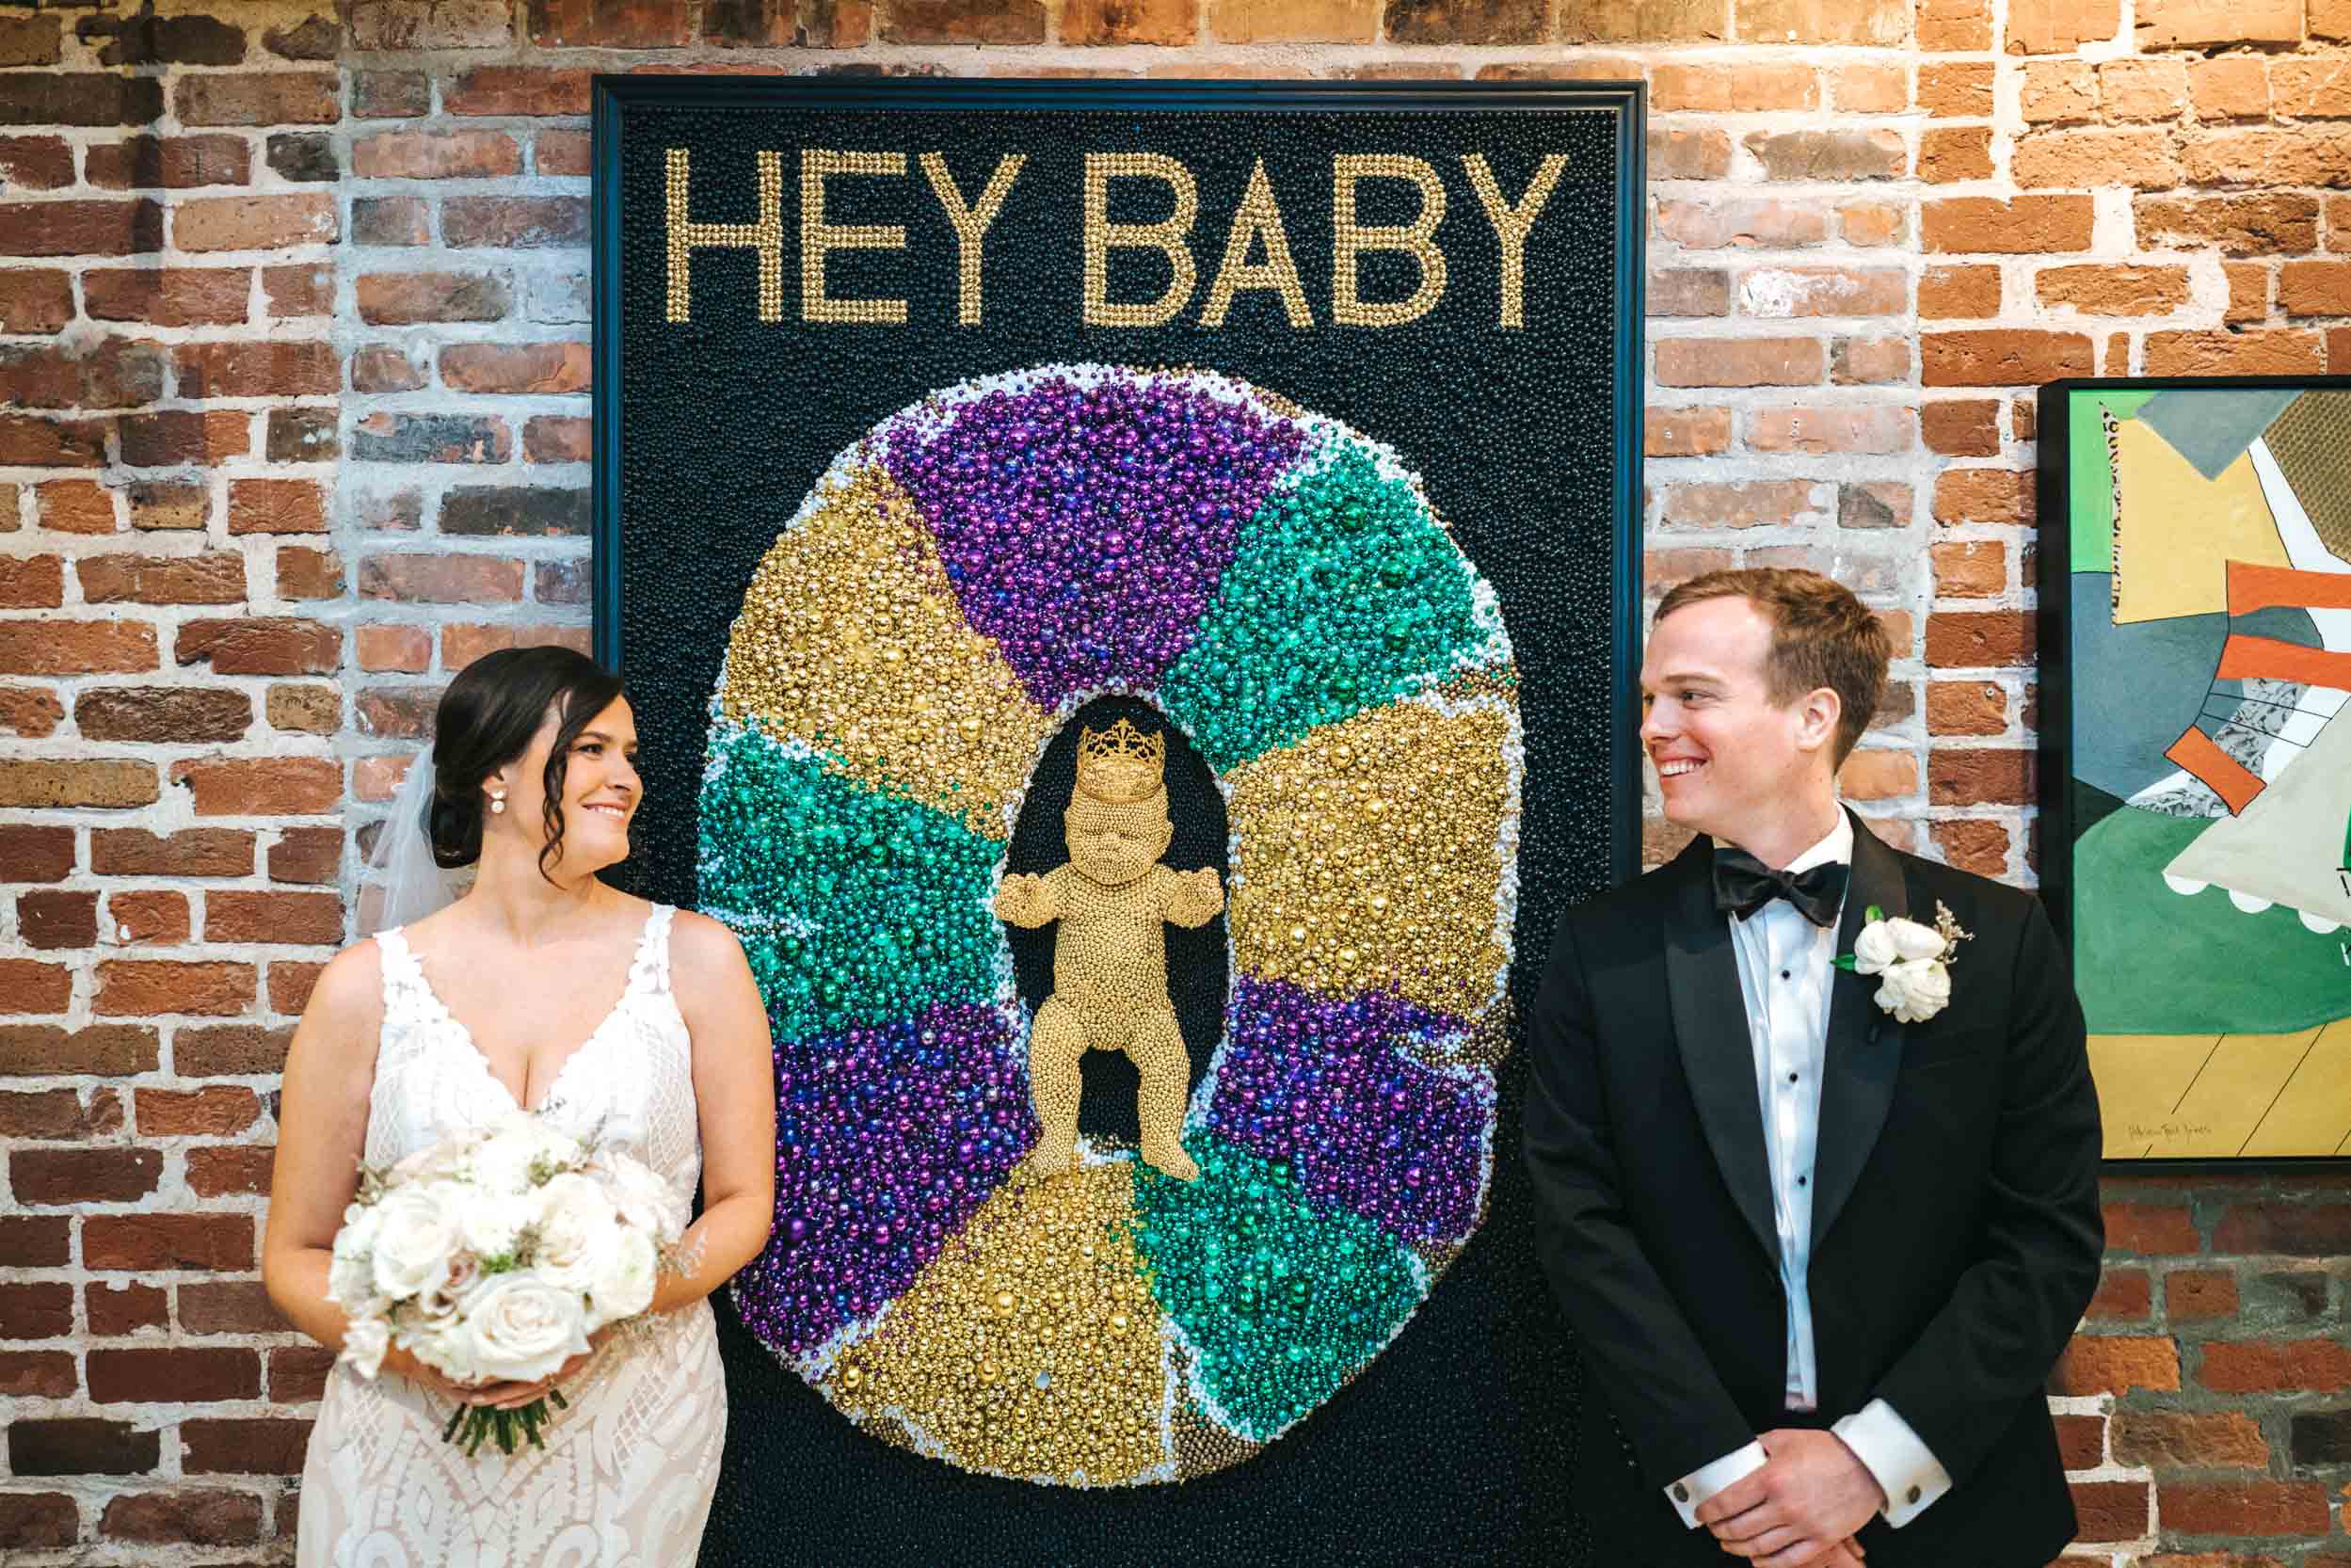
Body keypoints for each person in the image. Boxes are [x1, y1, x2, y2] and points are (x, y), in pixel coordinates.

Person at [1524, 568, 2103, 1568]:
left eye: (1691, 695)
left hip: (1948, 1512)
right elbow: (1579, 1227)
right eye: (1649, 699)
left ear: (1811, 715)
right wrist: (1735, 1490)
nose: (1653, 725)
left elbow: (2044, 1237)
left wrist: (1868, 1465)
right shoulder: (1599, 950)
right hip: (1686, 1516)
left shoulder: (1997, 942)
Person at [264, 647, 777, 1566]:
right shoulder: (364, 989)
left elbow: (742, 1203)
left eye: (629, 755)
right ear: (495, 772)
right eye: (590, 750)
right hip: (407, 1419)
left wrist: (610, 1305)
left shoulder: (699, 961)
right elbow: (295, 1255)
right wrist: (436, 1355)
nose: (625, 778)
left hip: (633, 1414)